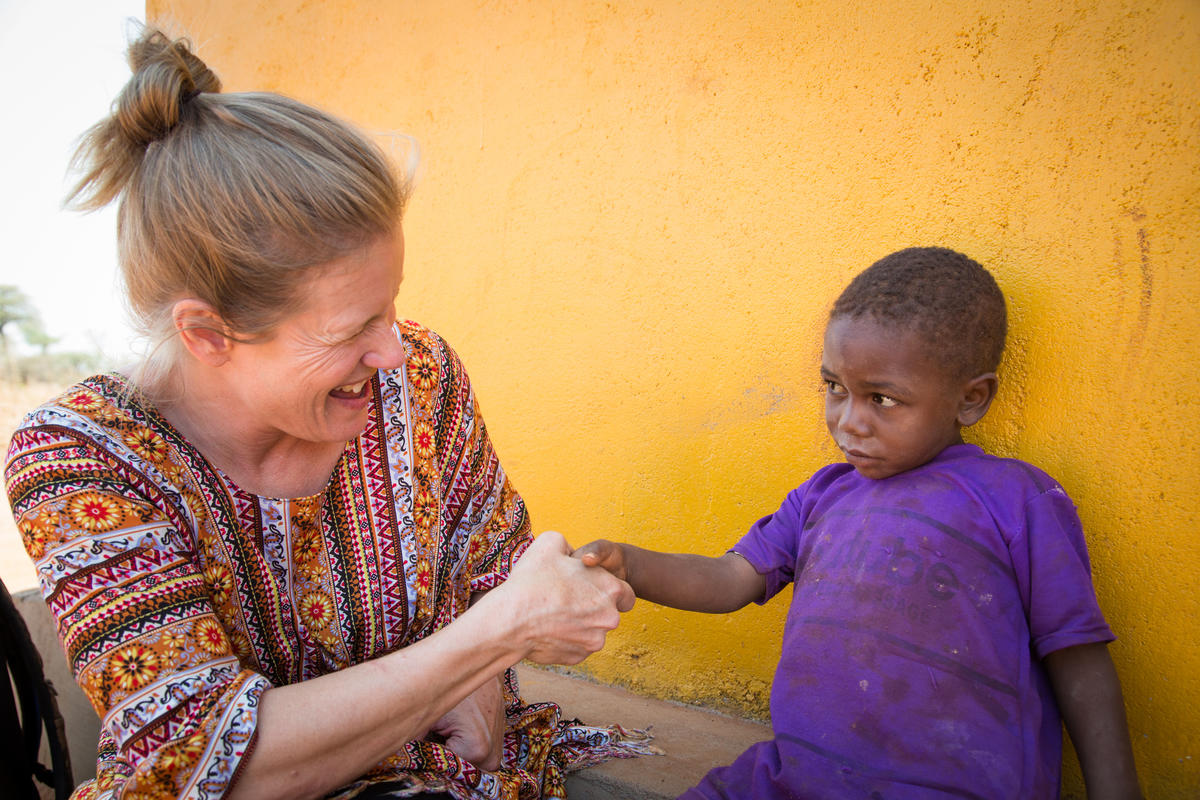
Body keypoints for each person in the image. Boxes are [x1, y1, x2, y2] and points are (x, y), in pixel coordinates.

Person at [3, 27, 647, 800]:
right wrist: (486, 645)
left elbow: (495, 570)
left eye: (392, 307)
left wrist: (510, 634)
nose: (393, 352)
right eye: (350, 330)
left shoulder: (423, 379)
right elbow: (203, 768)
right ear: (209, 333)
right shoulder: (81, 460)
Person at [576, 247, 1143, 799]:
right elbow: (731, 578)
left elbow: (1077, 653)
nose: (850, 422)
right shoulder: (821, 496)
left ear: (971, 399)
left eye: (883, 399)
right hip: (797, 778)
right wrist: (633, 565)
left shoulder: (1015, 498)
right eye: (835, 389)